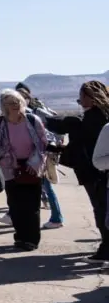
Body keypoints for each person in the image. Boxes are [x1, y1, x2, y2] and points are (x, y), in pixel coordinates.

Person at [45, 81, 109, 263]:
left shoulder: (90, 119)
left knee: (101, 209)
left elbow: (76, 137)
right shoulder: (101, 117)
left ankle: (106, 249)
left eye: (81, 97)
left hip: (94, 172)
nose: (79, 101)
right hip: (100, 170)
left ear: (91, 97)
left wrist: (45, 121)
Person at [0, 89, 48, 251]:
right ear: (4, 106)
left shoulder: (32, 120)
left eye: (17, 101)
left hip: (32, 166)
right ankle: (20, 237)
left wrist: (34, 163)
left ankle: (31, 240)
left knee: (32, 206)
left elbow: (42, 143)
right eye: (10, 103)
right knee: (15, 206)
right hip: (10, 168)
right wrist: (8, 160)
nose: (15, 105)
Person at [15, 82, 65, 229]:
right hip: (35, 156)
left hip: (41, 156)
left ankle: (56, 217)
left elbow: (56, 126)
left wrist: (53, 145)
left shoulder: (35, 112)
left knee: (45, 187)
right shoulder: (28, 113)